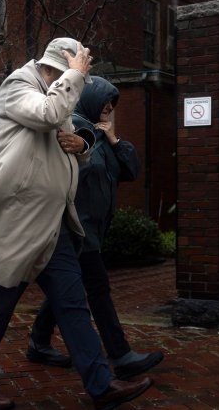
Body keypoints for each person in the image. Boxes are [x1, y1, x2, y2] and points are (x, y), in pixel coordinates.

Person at [0, 38, 153, 410]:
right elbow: (47, 114)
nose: (68, 81)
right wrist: (75, 76)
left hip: (53, 223)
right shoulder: (18, 85)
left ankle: (101, 385)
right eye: (64, 73)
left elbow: (57, 148)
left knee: (72, 302)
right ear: (54, 67)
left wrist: (82, 146)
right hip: (18, 224)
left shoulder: (55, 95)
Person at [26, 76, 165, 380]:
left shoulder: (100, 135)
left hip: (94, 230)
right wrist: (89, 143)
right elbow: (67, 170)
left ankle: (38, 342)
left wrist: (113, 139)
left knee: (66, 289)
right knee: (98, 289)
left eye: (111, 105)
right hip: (77, 228)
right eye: (104, 102)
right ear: (88, 98)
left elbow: (130, 170)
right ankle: (121, 354)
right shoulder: (75, 128)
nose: (108, 108)